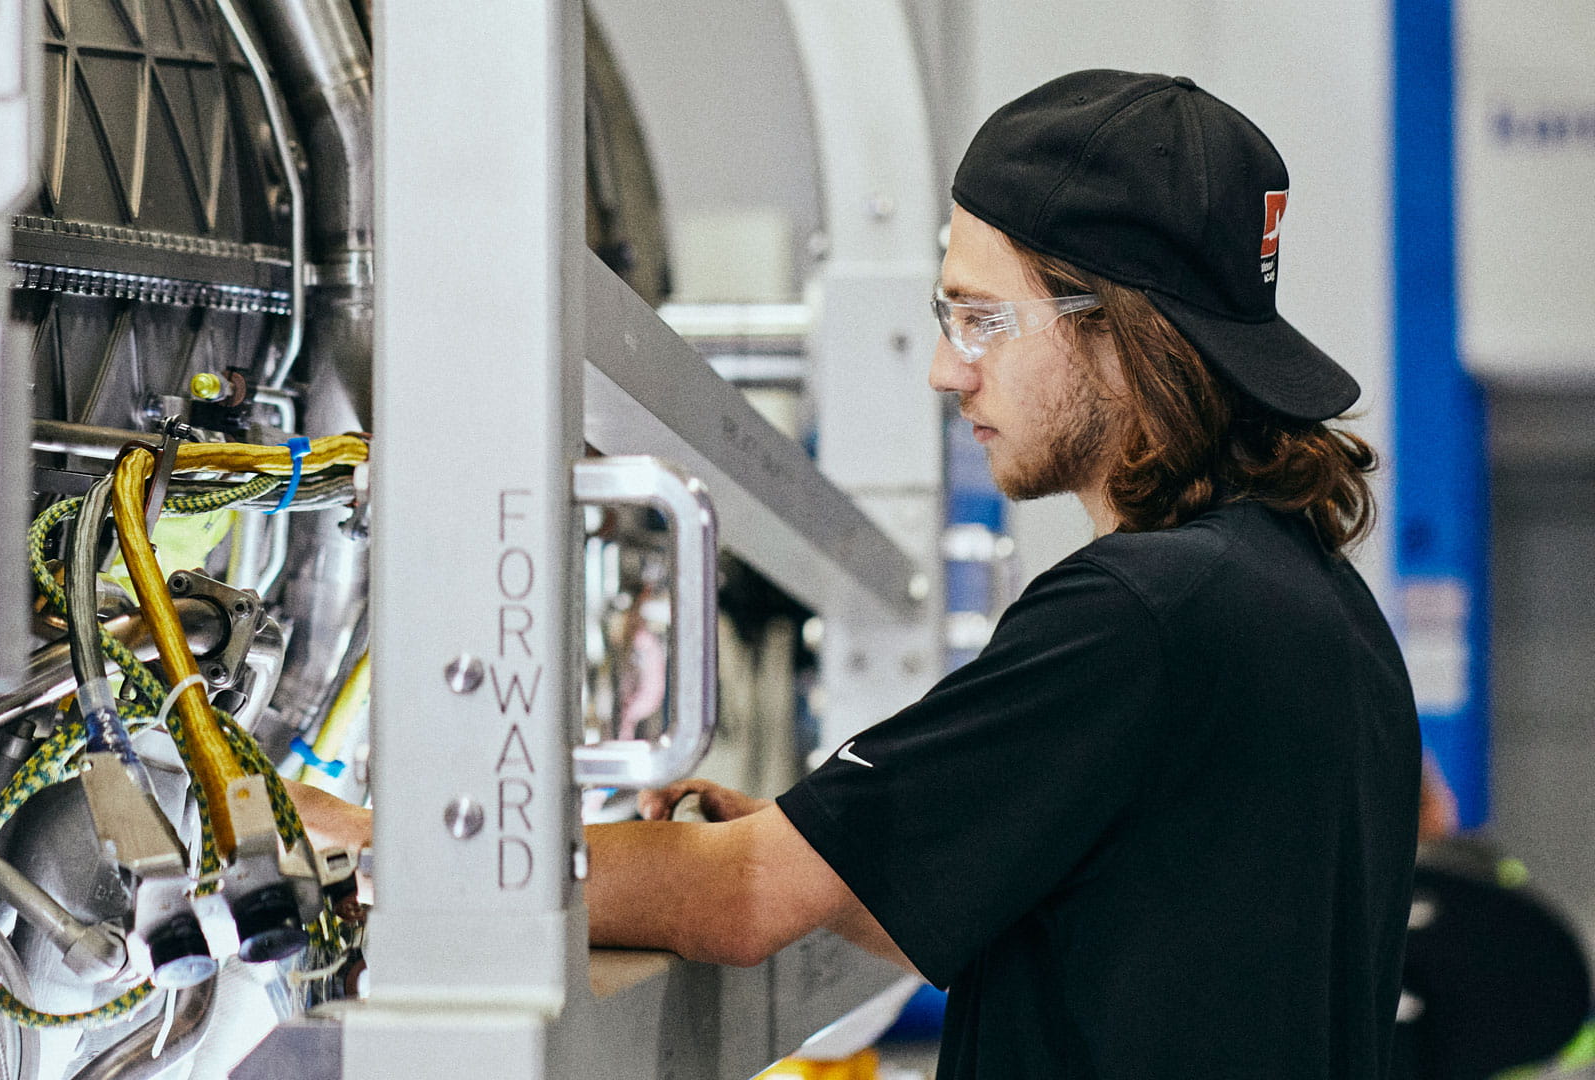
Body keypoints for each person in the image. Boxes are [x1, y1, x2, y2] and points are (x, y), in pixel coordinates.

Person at [288, 69, 1422, 1079]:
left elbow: (738, 902)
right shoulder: (1310, 603)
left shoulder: (1141, 618)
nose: (943, 369)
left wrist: (378, 843)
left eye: (982, 320)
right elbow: (1086, 916)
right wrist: (829, 850)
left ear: (1122, 333)